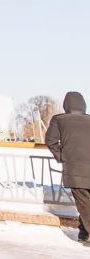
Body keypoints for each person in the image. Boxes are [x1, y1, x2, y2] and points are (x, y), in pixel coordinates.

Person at [46, 91, 90, 246]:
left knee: (84, 204)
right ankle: (84, 233)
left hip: (75, 170)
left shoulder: (59, 120)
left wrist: (62, 157)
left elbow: (51, 141)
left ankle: (86, 234)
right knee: (86, 205)